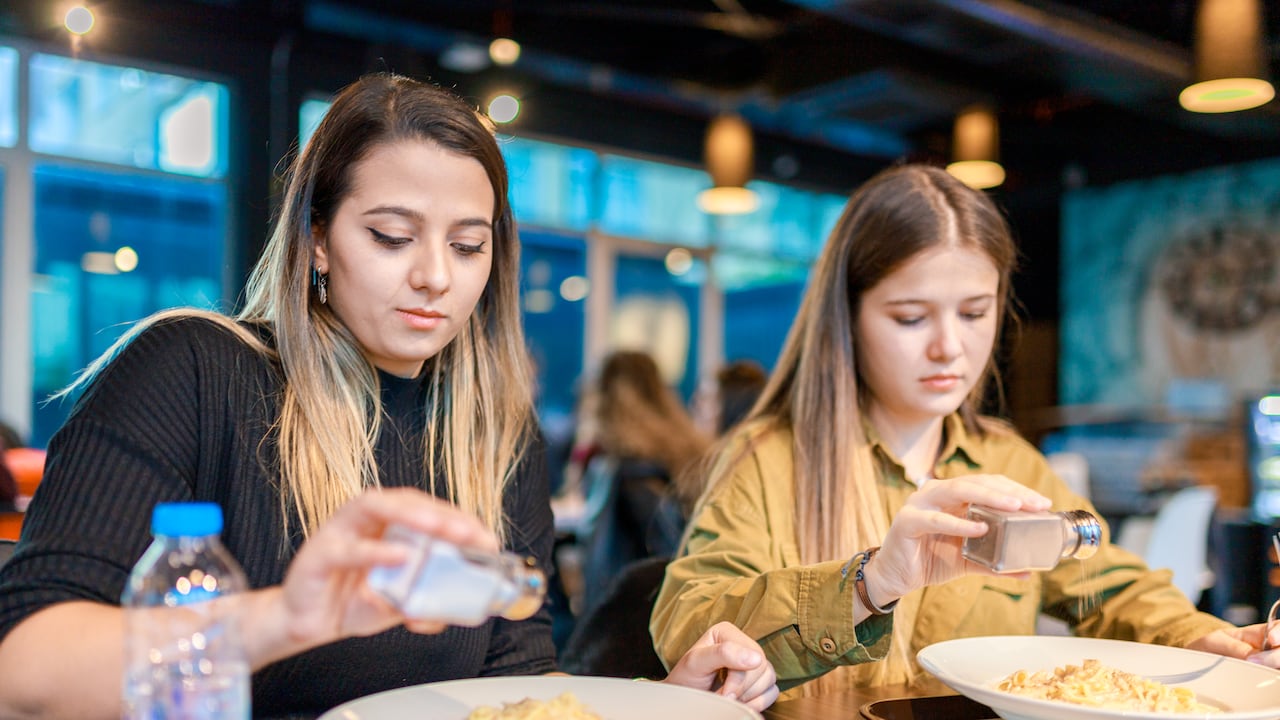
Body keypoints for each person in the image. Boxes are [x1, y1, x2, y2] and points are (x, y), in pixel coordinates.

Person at [0, 73, 777, 718]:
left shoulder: (494, 433)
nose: (436, 276)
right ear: (316, 238)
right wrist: (290, 617)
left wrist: (662, 702)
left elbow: (514, 686)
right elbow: (25, 674)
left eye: (468, 245)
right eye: (392, 237)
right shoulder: (195, 371)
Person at [649, 163, 1277, 698]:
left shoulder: (1009, 462)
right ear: (848, 318)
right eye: (910, 317)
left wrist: (1205, 638)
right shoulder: (769, 459)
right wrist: (870, 584)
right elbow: (687, 623)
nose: (950, 347)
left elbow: (1104, 585)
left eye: (975, 312)